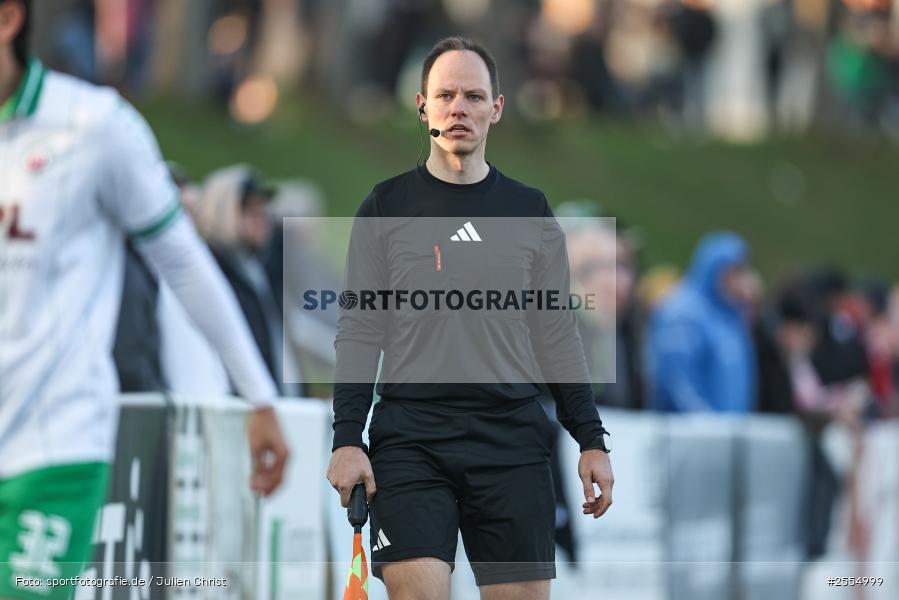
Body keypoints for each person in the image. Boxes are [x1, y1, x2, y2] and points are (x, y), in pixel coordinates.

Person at [0, 3, 288, 599]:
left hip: (49, 451)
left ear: (8, 20)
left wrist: (260, 395)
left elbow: (183, 261)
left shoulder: (94, 124)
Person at [325, 36, 614, 600]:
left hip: (511, 442)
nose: (459, 108)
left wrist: (590, 440)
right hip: (412, 439)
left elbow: (556, 334)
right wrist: (346, 437)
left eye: (474, 96)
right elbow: (360, 330)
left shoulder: (529, 211)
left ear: (496, 109)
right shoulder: (385, 207)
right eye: (446, 95)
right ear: (423, 105)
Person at [645, 232, 756, 413]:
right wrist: (706, 427)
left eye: (740, 271)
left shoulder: (730, 317)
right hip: (687, 436)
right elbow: (678, 382)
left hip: (727, 436)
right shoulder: (682, 314)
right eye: (732, 272)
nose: (738, 281)